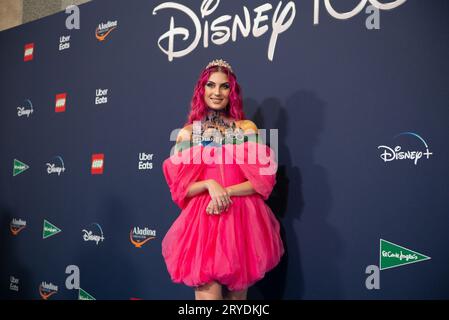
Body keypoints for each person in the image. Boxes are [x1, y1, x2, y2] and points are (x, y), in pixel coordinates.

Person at [162, 59, 284, 300]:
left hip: (242, 220)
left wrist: (226, 191)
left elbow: (262, 182)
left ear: (232, 92)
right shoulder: (189, 133)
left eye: (224, 86)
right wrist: (210, 185)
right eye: (211, 85)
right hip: (204, 220)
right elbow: (180, 189)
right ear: (202, 90)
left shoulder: (247, 128)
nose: (217, 92)